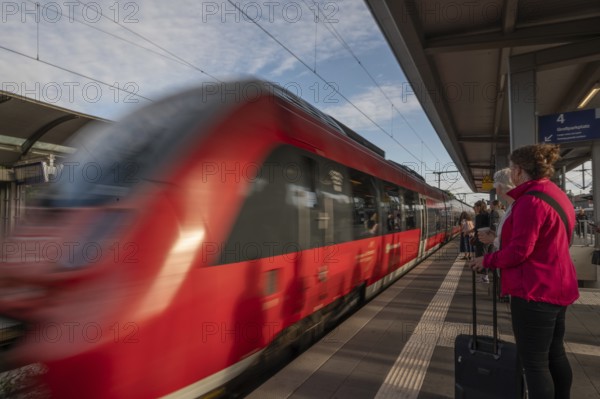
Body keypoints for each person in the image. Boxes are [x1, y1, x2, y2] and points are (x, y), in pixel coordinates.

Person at [470, 144, 579, 399]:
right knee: (555, 354)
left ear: (518, 171)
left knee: (535, 364)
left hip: (534, 291)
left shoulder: (530, 202)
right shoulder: (555, 194)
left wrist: (485, 262)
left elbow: (520, 251)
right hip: (557, 286)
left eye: (513, 167)